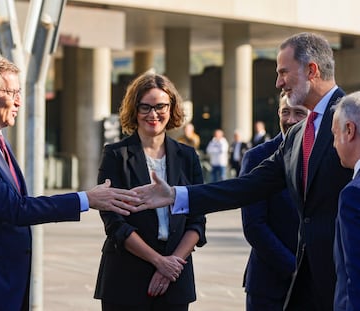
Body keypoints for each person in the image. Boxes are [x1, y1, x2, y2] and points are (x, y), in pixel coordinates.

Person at [132, 32, 353, 311]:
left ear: (312, 70)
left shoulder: (352, 119)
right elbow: (248, 186)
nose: (278, 82)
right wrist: (176, 195)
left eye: (284, 72)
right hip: (303, 287)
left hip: (343, 284)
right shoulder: (298, 135)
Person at [0, 56, 140, 311]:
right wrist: (86, 199)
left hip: (3, 283)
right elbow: (16, 209)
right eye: (12, 92)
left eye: (19, 92)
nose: (18, 101)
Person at [93, 72, 207, 311]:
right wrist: (158, 262)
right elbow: (114, 222)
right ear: (134, 109)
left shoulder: (187, 156)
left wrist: (171, 265)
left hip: (176, 276)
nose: (153, 114)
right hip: (126, 277)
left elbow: (197, 220)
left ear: (172, 108)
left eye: (160, 106)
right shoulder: (115, 155)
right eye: (145, 107)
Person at [240, 92, 308, 311]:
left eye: (299, 113)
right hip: (268, 285)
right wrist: (295, 269)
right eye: (285, 112)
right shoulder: (257, 157)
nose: (290, 120)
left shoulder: (328, 154)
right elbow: (254, 226)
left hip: (316, 284)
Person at [331, 91, 360, 311]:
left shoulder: (353, 195)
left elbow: (355, 277)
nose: (333, 145)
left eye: (334, 135)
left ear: (349, 130)